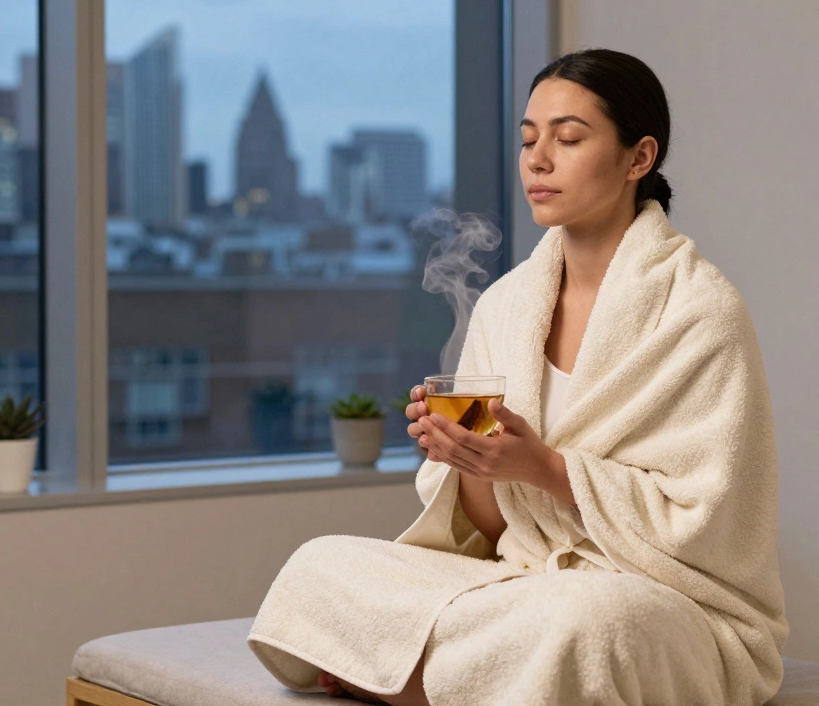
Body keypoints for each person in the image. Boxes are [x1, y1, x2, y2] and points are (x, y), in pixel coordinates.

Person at [248, 48, 788, 706]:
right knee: (321, 565)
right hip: (523, 583)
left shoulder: (700, 312)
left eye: (568, 138)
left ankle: (396, 677)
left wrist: (546, 468)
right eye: (529, 139)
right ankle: (453, 677)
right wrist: (474, 461)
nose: (538, 158)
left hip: (663, 602)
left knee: (588, 627)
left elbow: (712, 528)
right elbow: (493, 535)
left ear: (638, 159)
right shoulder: (508, 306)